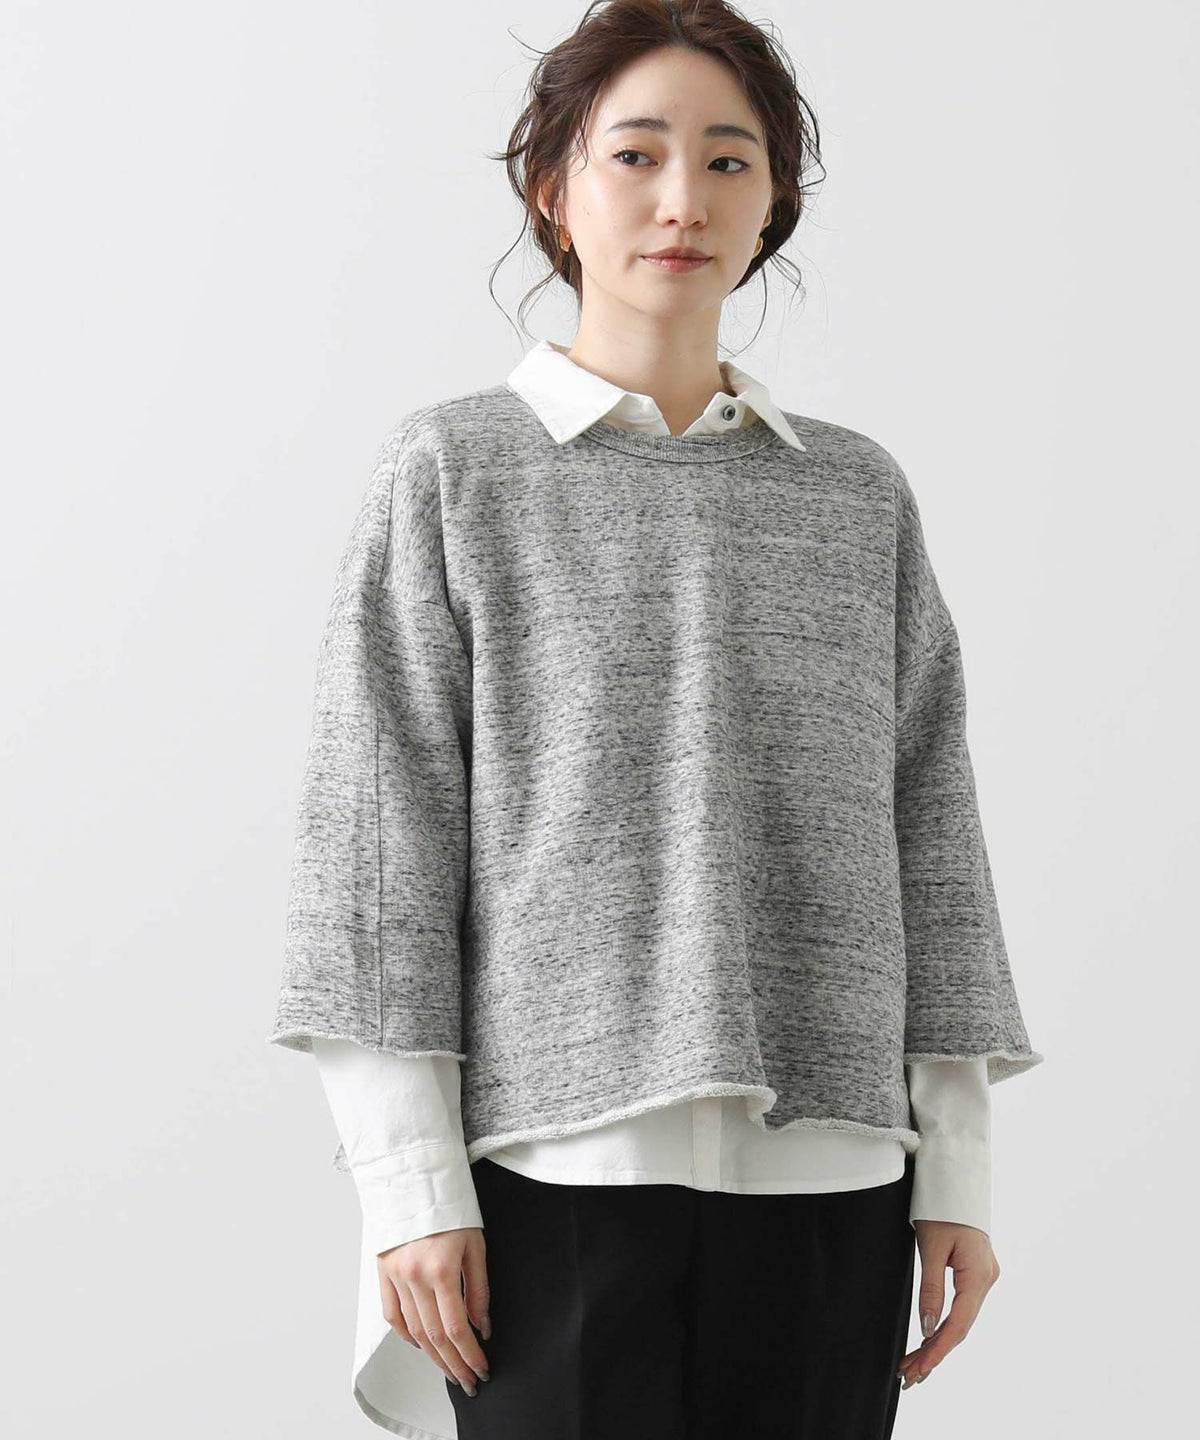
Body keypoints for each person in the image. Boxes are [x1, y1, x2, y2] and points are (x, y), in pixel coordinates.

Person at [266, 3, 1044, 1437]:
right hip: (548, 1178)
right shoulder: (453, 472)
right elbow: (377, 857)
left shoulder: (856, 494)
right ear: (551, 188)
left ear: (775, 203)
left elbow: (930, 835)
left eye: (730, 161)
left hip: (835, 1176)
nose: (684, 199)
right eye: (635, 154)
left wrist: (960, 1169)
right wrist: (411, 1188)